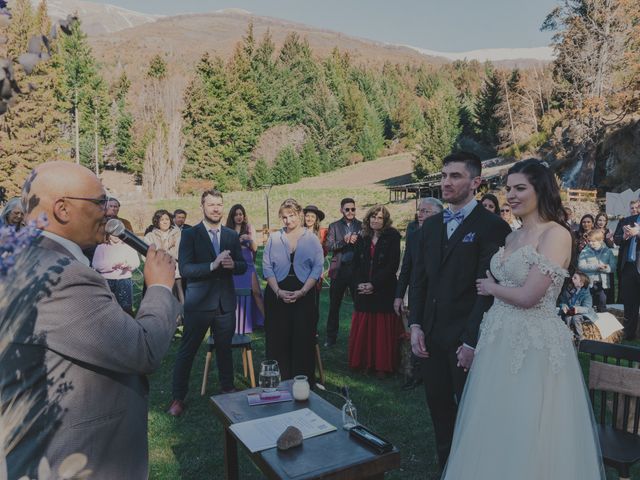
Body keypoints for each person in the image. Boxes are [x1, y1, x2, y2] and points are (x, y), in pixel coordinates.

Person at [0, 162, 180, 479]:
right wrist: (161, 285)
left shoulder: (25, 258)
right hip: (78, 457)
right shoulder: (62, 275)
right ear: (63, 209)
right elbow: (143, 349)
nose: (108, 212)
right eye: (99, 202)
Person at [442, 158, 604, 479]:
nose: (511, 195)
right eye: (508, 188)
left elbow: (530, 296)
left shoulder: (555, 234)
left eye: (520, 188)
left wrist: (491, 286)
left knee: (528, 422)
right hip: (498, 338)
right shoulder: (513, 237)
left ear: (540, 190)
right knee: (494, 422)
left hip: (533, 343)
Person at [408, 151, 511, 470]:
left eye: (455, 176)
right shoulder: (430, 225)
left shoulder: (493, 226)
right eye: (443, 176)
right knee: (438, 408)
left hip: (466, 337)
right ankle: (447, 468)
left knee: (472, 411)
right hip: (431, 334)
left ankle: (476, 469)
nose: (446, 182)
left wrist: (471, 341)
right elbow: (419, 279)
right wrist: (415, 325)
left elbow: (487, 290)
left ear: (476, 182)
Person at [168, 190, 247, 416]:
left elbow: (242, 264)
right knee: (188, 350)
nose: (216, 208)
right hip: (199, 302)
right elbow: (185, 269)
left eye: (219, 204)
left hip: (225, 302)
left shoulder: (231, 235)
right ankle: (178, 397)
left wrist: (234, 266)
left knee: (224, 348)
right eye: (211, 204)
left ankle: (227, 387)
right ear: (202, 206)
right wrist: (212, 265)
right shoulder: (191, 234)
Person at [263, 199, 323, 382]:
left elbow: (318, 267)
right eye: (284, 217)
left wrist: (303, 291)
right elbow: (266, 267)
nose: (288, 220)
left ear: (300, 214)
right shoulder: (274, 238)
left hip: (303, 296)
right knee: (278, 339)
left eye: (291, 216)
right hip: (277, 295)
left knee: (303, 339)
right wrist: (278, 291)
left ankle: (302, 382)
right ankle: (280, 381)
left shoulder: (311, 238)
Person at [349, 205, 403, 377]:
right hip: (363, 289)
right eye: (373, 216)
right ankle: (364, 362)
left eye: (380, 218)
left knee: (381, 329)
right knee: (365, 325)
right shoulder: (362, 236)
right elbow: (355, 264)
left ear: (385, 220)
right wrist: (360, 284)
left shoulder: (393, 236)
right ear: (368, 219)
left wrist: (373, 284)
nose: (375, 220)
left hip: (384, 289)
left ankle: (381, 365)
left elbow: (392, 265)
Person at [394, 197, 443, 389]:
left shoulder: (445, 236)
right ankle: (414, 374)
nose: (420, 214)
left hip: (438, 293)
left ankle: (433, 372)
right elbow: (406, 267)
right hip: (416, 292)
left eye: (425, 211)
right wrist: (399, 295)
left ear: (439, 215)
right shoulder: (413, 235)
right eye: (419, 211)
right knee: (415, 328)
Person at [325, 198, 362, 347]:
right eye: (347, 209)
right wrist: (344, 241)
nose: (350, 212)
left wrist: (357, 241)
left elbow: (365, 246)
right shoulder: (334, 226)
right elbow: (329, 246)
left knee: (359, 306)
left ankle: (359, 338)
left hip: (356, 271)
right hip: (339, 271)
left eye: (353, 209)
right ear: (341, 210)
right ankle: (330, 338)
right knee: (334, 306)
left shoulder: (361, 225)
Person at [225, 203, 264, 332]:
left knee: (257, 293)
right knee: (238, 296)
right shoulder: (227, 230)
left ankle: (267, 320)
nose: (238, 217)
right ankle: (240, 323)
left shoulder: (248, 227)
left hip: (248, 264)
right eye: (236, 214)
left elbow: (255, 248)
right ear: (232, 216)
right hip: (235, 266)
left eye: (241, 214)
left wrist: (250, 239)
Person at [92, 233, 141, 315]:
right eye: (112, 233)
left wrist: (128, 264)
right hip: (107, 281)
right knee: (107, 307)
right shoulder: (101, 247)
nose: (115, 236)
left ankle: (126, 326)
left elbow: (136, 262)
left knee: (126, 308)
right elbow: (96, 264)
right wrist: (112, 265)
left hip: (124, 281)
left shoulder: (128, 247)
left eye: (118, 233)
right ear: (108, 235)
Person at [144, 209, 183, 304]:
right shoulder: (150, 236)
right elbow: (148, 256)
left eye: (167, 219)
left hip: (175, 272)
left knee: (179, 298)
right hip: (157, 274)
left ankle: (181, 318)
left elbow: (179, 253)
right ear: (157, 221)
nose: (165, 222)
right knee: (160, 301)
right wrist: (169, 247)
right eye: (162, 220)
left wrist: (161, 251)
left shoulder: (178, 234)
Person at [613, 202, 640, 340]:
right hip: (629, 267)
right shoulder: (627, 220)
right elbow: (616, 239)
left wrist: (638, 232)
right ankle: (628, 335)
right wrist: (623, 236)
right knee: (630, 303)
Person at [303, 204, 328, 340]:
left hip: (316, 271)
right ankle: (302, 326)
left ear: (316, 219)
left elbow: (324, 252)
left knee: (314, 301)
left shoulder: (322, 234)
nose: (310, 218)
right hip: (301, 270)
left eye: (312, 216)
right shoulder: (299, 231)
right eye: (307, 216)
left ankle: (313, 329)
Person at [578, 228, 616, 312]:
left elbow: (613, 267)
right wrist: (596, 266)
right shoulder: (584, 252)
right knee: (588, 304)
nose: (591, 243)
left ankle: (602, 322)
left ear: (601, 240)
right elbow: (581, 266)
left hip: (602, 284)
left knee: (602, 304)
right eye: (589, 241)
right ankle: (588, 322)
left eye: (593, 241)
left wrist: (606, 268)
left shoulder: (608, 252)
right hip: (589, 283)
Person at [558, 270, 596, 341]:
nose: (572, 278)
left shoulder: (586, 294)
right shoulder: (568, 290)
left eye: (575, 278)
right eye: (572, 277)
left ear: (581, 284)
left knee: (575, 318)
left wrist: (577, 309)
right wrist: (563, 306)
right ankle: (568, 335)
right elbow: (562, 301)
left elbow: (587, 308)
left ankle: (579, 337)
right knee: (567, 318)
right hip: (570, 312)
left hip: (583, 313)